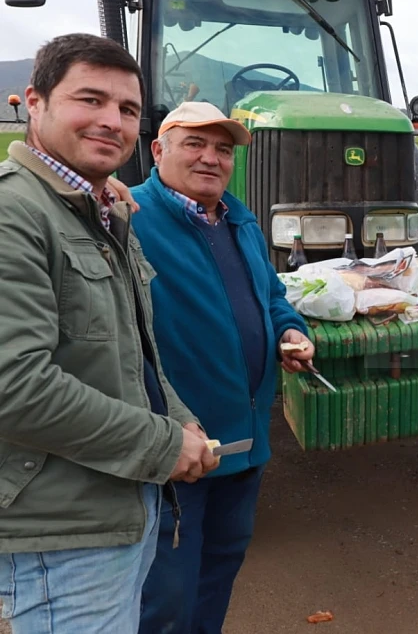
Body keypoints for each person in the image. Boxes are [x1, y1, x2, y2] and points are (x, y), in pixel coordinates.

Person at [0, 33, 219, 633]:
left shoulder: (102, 210)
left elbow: (133, 350)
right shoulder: (14, 213)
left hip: (122, 498)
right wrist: (162, 444)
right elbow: (14, 387)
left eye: (126, 109)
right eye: (90, 100)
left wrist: (178, 417)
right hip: (61, 529)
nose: (111, 121)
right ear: (34, 103)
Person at [131, 101, 315, 633]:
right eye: (195, 143)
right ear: (158, 149)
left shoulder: (240, 219)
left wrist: (289, 331)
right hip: (177, 452)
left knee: (219, 572)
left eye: (223, 149)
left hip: (243, 447)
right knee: (167, 596)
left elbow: (271, 295)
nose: (211, 158)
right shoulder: (129, 218)